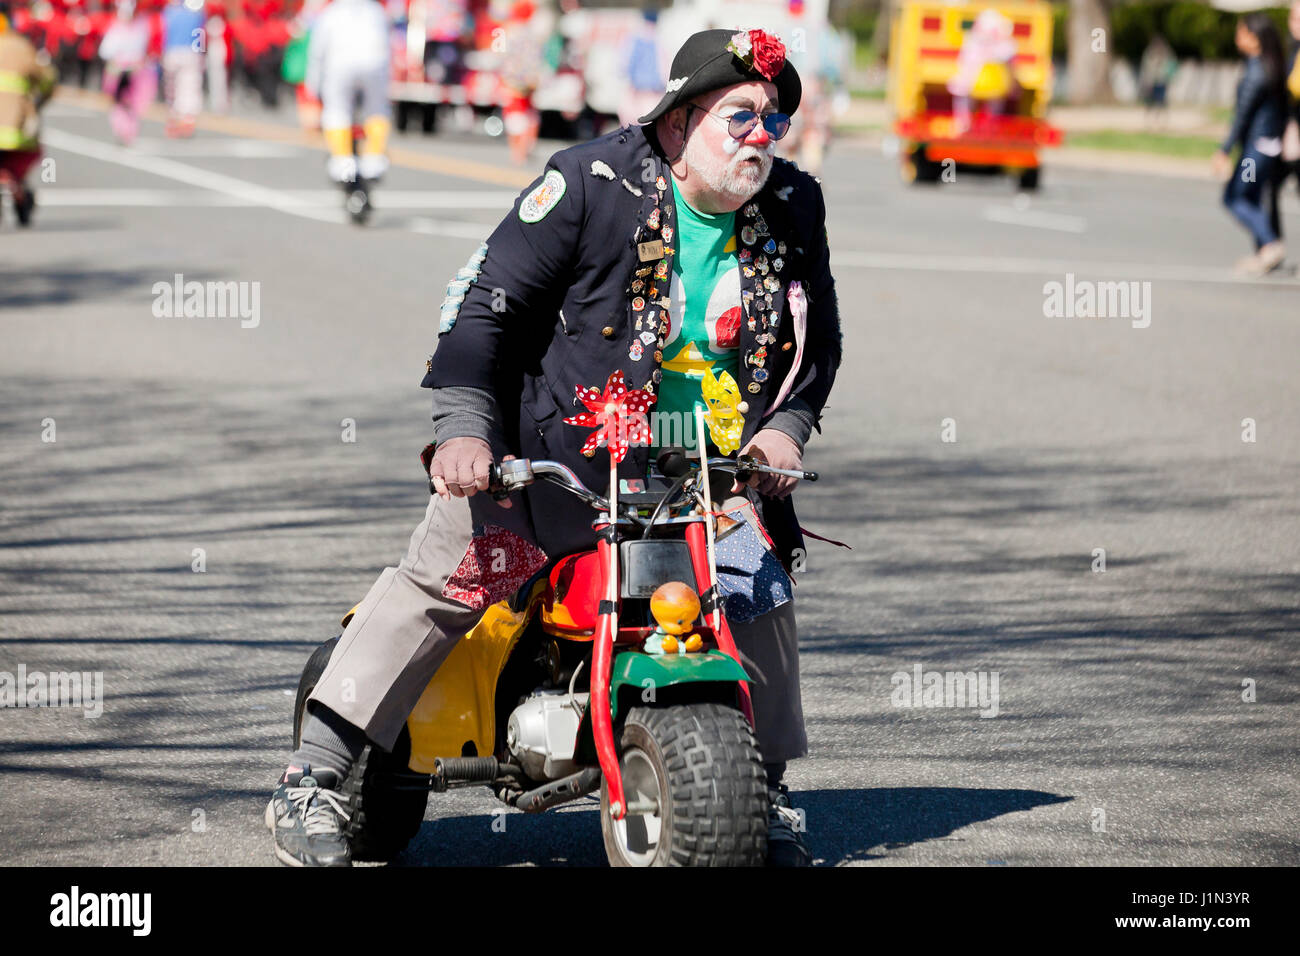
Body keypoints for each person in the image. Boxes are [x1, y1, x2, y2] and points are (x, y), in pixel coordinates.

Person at [265, 27, 841, 868]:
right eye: (741, 117)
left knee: (754, 587)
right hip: (558, 456)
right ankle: (311, 778)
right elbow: (482, 306)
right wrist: (465, 430)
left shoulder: (793, 206)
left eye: (774, 120)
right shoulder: (588, 183)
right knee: (450, 575)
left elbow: (817, 341)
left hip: (706, 475)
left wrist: (784, 431)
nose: (763, 137)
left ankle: (766, 788)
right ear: (678, 123)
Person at [1213, 13, 1288, 276]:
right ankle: (1263, 254)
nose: (1237, 38)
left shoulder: (1256, 72)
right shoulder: (1272, 67)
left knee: (1235, 197)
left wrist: (1224, 150)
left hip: (1253, 152)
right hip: (1268, 147)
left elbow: (1242, 116)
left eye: (1241, 32)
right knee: (1253, 198)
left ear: (1255, 38)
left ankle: (1269, 243)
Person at [304, 0, 391, 185]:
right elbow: (387, 44)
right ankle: (373, 160)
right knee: (376, 109)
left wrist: (313, 84)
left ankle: (342, 162)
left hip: (339, 65)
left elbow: (317, 51)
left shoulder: (330, 13)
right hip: (374, 65)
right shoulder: (376, 11)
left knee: (337, 110)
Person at [0, 0, 57, 227]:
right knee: (19, 164)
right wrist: (38, 103)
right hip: (18, 128)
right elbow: (47, 80)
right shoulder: (22, 47)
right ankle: (19, 192)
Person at [99, 0, 154, 145]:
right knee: (119, 102)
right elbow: (106, 51)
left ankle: (129, 131)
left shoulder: (140, 27)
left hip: (134, 72)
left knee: (132, 103)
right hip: (119, 71)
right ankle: (122, 129)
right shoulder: (117, 29)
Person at [160, 0, 204, 137]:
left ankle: (174, 118)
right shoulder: (196, 12)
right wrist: (200, 53)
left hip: (171, 52)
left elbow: (163, 34)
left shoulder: (168, 11)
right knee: (188, 88)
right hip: (189, 53)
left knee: (172, 89)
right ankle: (186, 119)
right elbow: (200, 34)